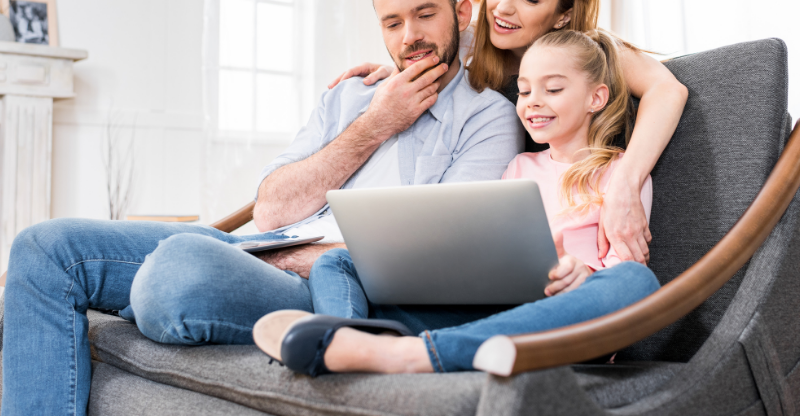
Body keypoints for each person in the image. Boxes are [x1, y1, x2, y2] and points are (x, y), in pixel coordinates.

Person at [0, 0, 522, 416]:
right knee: (44, 248)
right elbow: (270, 210)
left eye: (425, 14)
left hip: (330, 284)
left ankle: (153, 291)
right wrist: (375, 125)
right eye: (392, 22)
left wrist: (295, 258)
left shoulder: (487, 117)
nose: (409, 36)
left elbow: (437, 256)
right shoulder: (351, 99)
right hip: (261, 248)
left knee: (176, 270)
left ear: (461, 14)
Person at [253, 28, 660, 375]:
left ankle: (403, 353)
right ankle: (351, 340)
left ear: (596, 97)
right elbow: (487, 244)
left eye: (552, 89)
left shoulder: (623, 174)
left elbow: (624, 271)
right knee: (337, 260)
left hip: (565, 324)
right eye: (523, 90)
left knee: (638, 283)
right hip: (489, 314)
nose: (533, 101)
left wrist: (582, 275)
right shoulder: (519, 164)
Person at [328, 0, 688, 266]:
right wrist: (396, 70)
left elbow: (668, 89)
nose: (503, 7)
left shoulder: (588, 52)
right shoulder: (475, 37)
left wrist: (626, 183)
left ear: (563, 15)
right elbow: (425, 43)